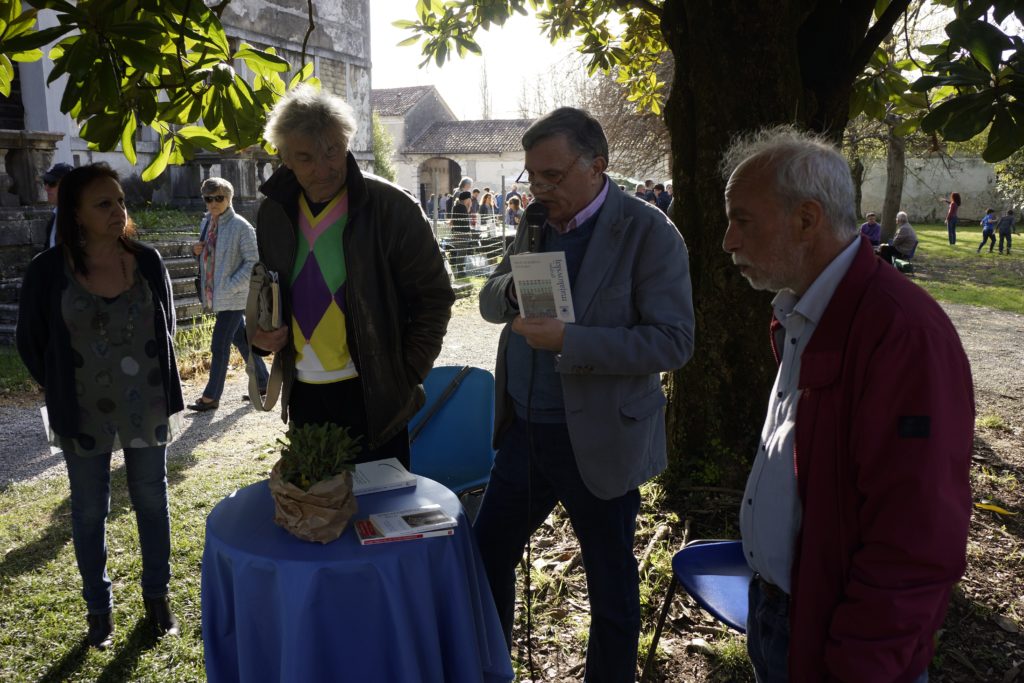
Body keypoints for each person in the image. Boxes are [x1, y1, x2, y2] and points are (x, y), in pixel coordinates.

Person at [721, 126, 973, 682]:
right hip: (782, 618)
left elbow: (916, 538)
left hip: (841, 640)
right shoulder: (803, 312)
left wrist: (861, 664)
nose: (728, 241)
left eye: (743, 220)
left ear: (806, 220)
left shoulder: (901, 331)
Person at [475, 107, 695, 682]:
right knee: (486, 555)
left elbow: (673, 342)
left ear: (598, 165)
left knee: (611, 589)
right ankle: (496, 668)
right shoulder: (535, 223)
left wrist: (572, 341)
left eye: (553, 175)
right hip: (525, 433)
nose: (540, 189)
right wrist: (513, 295)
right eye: (533, 177)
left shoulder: (649, 231)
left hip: (600, 440)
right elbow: (489, 298)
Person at [16, 163, 184, 649]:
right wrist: (63, 387)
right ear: (75, 212)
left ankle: (157, 597)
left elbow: (165, 326)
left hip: (146, 406)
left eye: (120, 201)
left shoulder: (147, 260)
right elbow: (31, 342)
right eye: (103, 204)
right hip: (81, 410)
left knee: (152, 501)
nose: (118, 211)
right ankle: (99, 610)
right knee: (90, 511)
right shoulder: (47, 271)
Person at [251, 85, 454, 469]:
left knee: (381, 516)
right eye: (306, 157)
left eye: (332, 151)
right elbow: (272, 297)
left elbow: (434, 298)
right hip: (305, 394)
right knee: (320, 508)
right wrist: (262, 339)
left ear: (346, 141)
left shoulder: (392, 208)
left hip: (375, 392)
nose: (323, 168)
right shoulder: (273, 214)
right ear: (285, 158)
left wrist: (405, 374)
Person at [187, 177, 268, 411]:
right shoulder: (207, 223)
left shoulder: (241, 226)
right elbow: (207, 258)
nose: (213, 203)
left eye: (218, 198)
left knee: (219, 344)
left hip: (235, 296)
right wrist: (196, 251)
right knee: (241, 338)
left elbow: (253, 262)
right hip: (217, 294)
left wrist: (231, 285)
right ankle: (263, 381)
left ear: (229, 198)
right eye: (208, 199)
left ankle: (212, 397)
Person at [42, 162, 74, 249]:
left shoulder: (82, 217)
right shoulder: (55, 216)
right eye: (45, 182)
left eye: (52, 183)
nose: (46, 188)